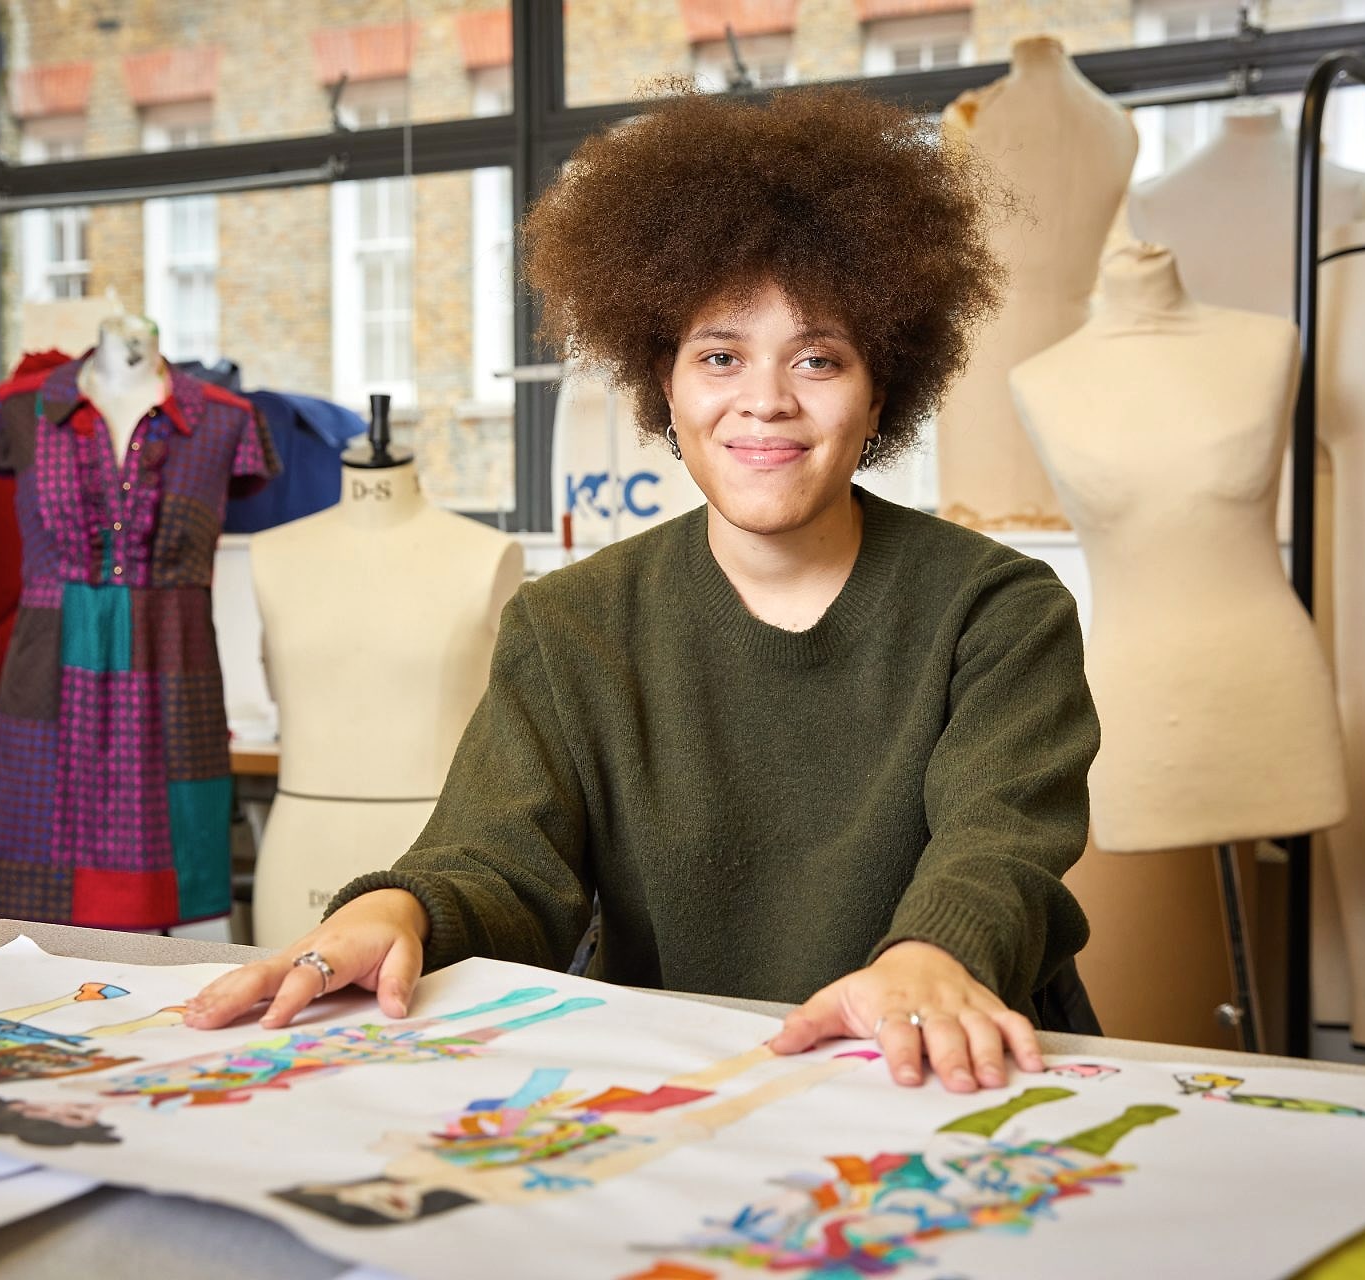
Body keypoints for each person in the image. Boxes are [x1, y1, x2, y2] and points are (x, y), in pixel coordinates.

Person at [188, 86, 1101, 1094]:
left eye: (818, 357)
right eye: (720, 354)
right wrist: (392, 912)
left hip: (937, 1066)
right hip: (684, 1085)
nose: (765, 399)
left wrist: (931, 956)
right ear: (661, 381)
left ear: (880, 387)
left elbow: (999, 847)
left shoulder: (1000, 611)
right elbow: (497, 860)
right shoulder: (572, 622)